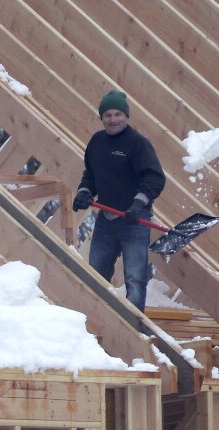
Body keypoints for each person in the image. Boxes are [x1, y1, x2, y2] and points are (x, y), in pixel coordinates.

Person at [72, 90, 166, 312]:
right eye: (107, 115)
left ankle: (132, 329)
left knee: (135, 278)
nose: (113, 120)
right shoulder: (97, 142)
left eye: (117, 114)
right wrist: (84, 192)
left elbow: (154, 177)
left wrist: (138, 203)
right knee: (96, 274)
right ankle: (96, 322)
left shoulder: (138, 144)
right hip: (106, 220)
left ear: (126, 116)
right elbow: (91, 174)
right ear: (102, 118)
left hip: (135, 221)